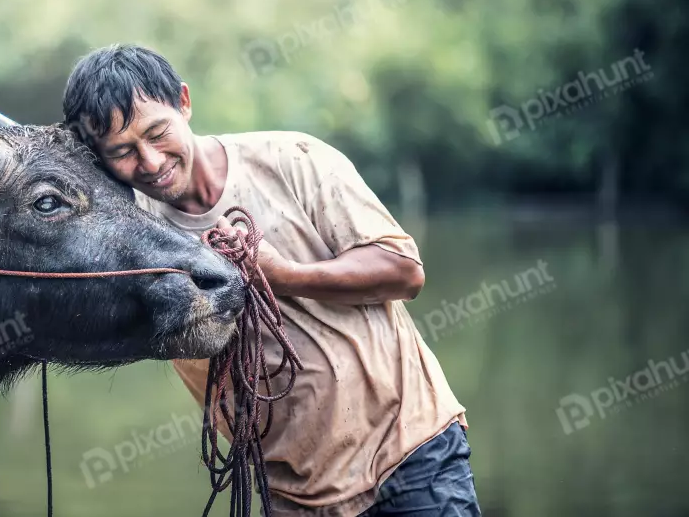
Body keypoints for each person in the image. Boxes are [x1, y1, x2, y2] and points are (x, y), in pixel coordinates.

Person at [61, 43, 481, 517]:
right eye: (123, 153)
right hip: (292, 490)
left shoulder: (294, 159)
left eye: (158, 134)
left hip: (407, 452)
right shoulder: (132, 236)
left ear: (184, 101)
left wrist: (287, 276)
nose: (152, 162)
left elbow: (404, 271)